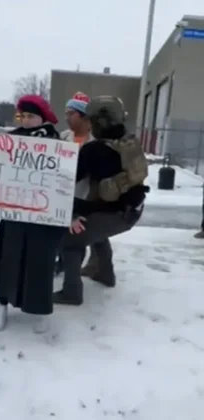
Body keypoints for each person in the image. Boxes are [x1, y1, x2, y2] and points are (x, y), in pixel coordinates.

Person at [54, 96, 149, 305]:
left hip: (116, 212)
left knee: (70, 240)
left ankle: (71, 292)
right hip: (133, 208)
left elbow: (67, 179)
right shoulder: (129, 142)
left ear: (98, 122)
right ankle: (104, 273)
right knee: (92, 226)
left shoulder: (94, 150)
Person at [0, 94, 64, 334]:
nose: (25, 120)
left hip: (44, 214)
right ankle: (2, 304)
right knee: (8, 257)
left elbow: (65, 176)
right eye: (22, 116)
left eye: (31, 116)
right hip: (14, 212)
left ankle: (42, 309)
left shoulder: (56, 143)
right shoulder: (11, 139)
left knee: (41, 262)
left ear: (42, 117)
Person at [56, 92, 94, 275]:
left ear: (83, 116)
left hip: (84, 195)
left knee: (77, 233)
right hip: (62, 191)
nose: (66, 117)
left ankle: (74, 270)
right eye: (66, 113)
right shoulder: (62, 137)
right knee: (61, 231)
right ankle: (62, 262)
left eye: (70, 113)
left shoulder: (95, 141)